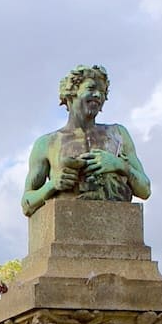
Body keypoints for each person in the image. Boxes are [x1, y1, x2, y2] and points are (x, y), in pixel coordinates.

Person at [20, 65, 152, 216]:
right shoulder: (47, 143)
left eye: (102, 92)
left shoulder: (118, 134)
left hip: (117, 223)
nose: (98, 95)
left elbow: (145, 190)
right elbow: (27, 204)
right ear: (71, 92)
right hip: (68, 223)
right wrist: (52, 185)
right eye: (91, 88)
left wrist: (119, 165)